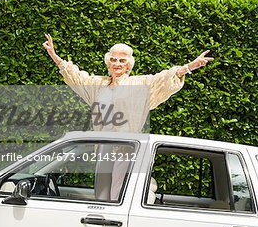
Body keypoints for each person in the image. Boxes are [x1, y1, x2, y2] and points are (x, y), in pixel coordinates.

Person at [43, 33, 213, 199]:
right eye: (113, 60)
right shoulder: (98, 84)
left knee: (119, 191)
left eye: (122, 61)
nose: (117, 64)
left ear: (128, 65)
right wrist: (54, 56)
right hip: (103, 146)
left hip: (126, 147)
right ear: (108, 63)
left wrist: (189, 67)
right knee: (101, 192)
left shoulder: (138, 84)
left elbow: (163, 79)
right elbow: (77, 77)